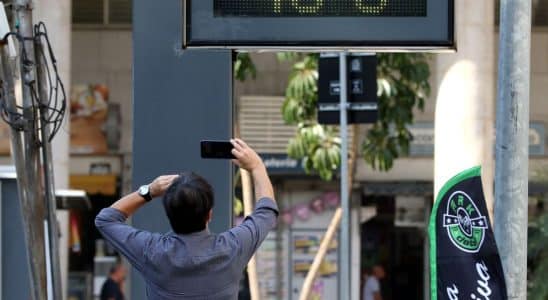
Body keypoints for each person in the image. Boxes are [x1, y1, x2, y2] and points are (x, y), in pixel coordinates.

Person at [95, 139, 278, 299]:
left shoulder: (152, 252)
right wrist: (257, 166)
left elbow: (106, 219)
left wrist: (149, 191)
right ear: (209, 214)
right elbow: (267, 211)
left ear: (169, 215)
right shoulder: (232, 248)